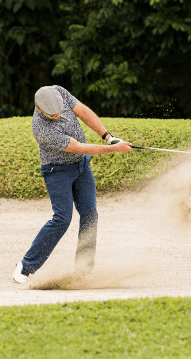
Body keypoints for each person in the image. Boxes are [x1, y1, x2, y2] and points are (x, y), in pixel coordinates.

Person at [12, 85, 132, 284]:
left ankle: (83, 270)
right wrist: (114, 149)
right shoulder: (42, 129)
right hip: (57, 172)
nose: (58, 115)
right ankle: (26, 266)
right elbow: (79, 147)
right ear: (40, 110)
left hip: (81, 167)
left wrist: (108, 137)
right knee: (62, 219)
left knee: (90, 213)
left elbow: (83, 112)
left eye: (60, 110)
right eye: (53, 115)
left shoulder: (58, 91)